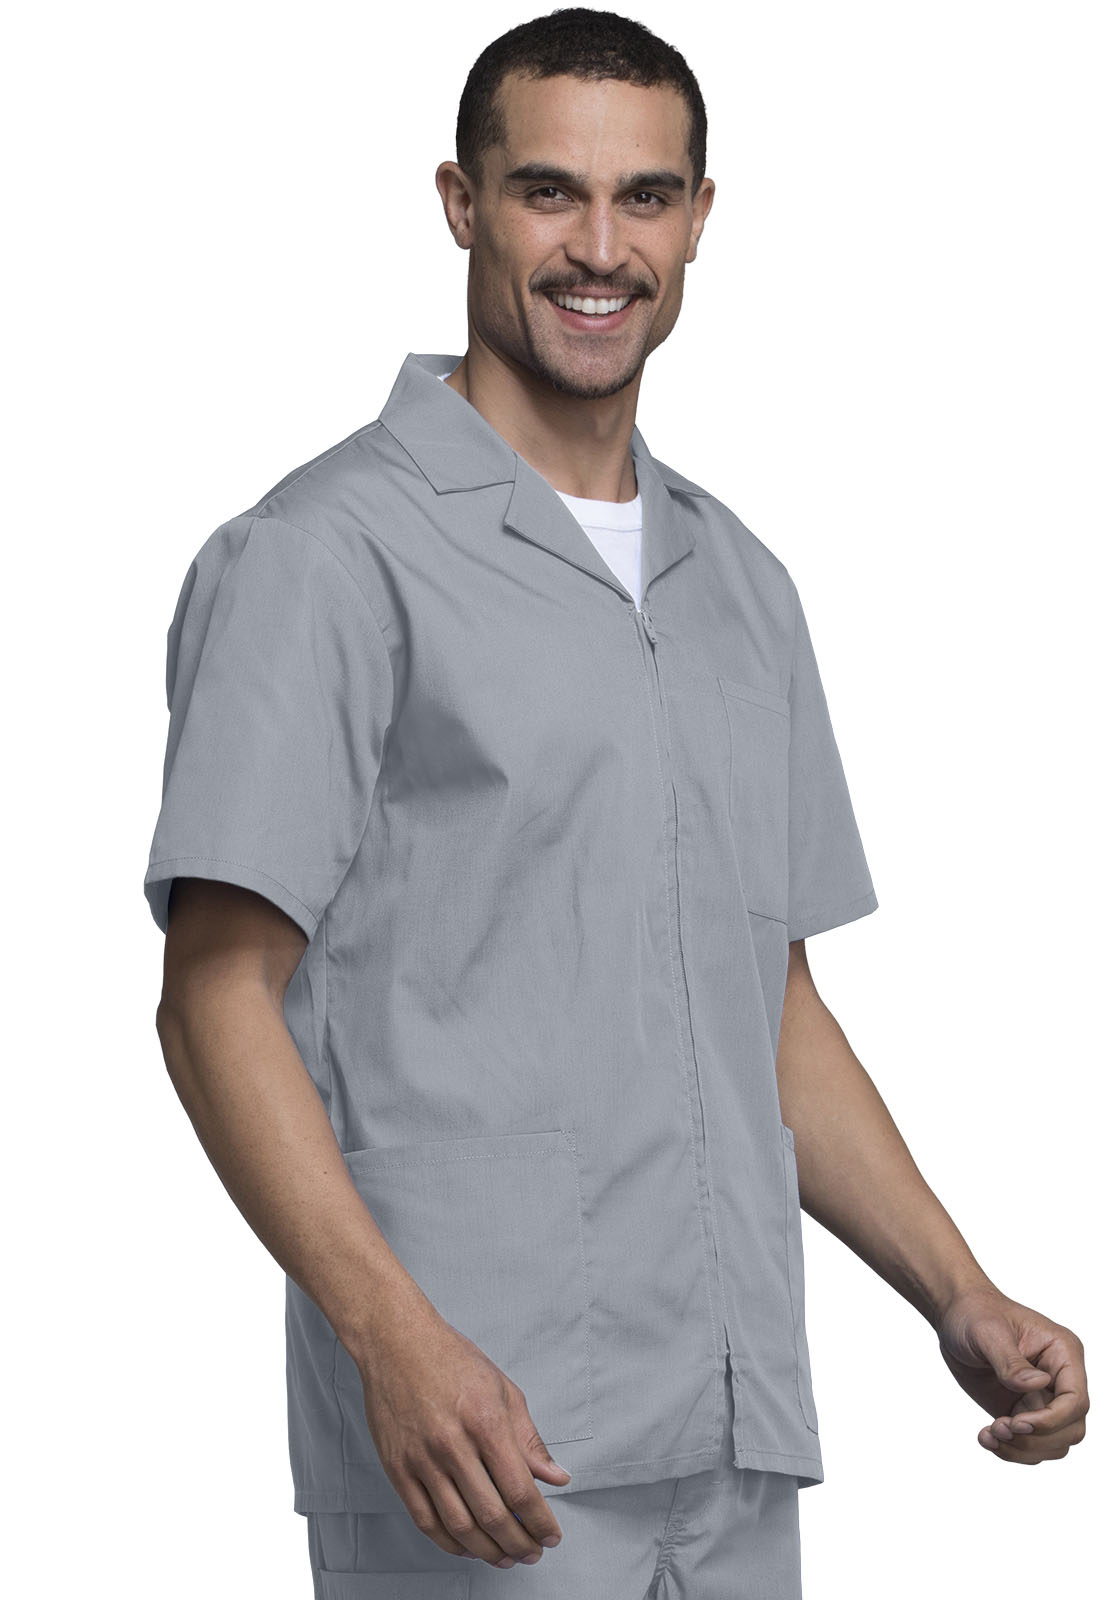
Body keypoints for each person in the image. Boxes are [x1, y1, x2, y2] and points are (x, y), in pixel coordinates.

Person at [143, 8, 1089, 1597]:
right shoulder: (324, 558)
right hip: (477, 1450)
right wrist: (392, 1339)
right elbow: (213, 999)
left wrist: (959, 1291)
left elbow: (764, 1002)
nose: (601, 248)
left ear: (700, 219)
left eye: (644, 197)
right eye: (549, 192)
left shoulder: (743, 588)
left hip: (729, 1435)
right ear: (462, 203)